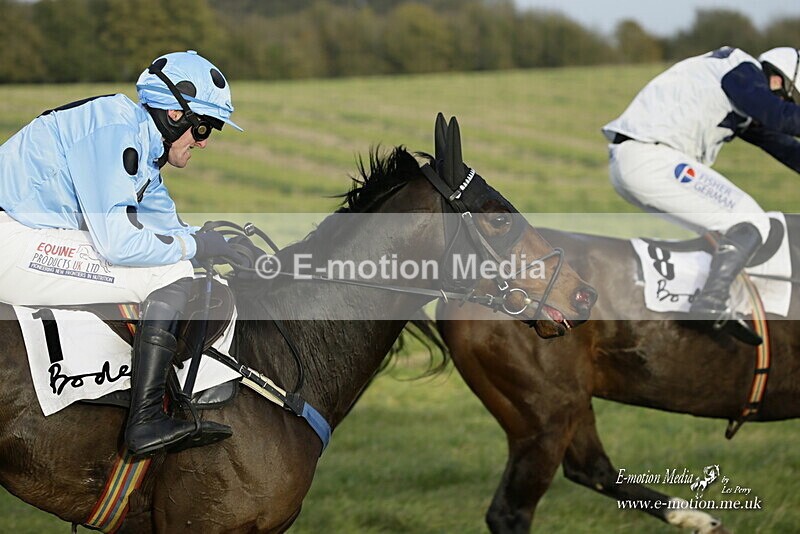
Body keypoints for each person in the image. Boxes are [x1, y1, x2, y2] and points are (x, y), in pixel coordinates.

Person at [0, 50, 244, 455]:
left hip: (20, 230)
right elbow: (119, 244)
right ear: (175, 115)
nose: (204, 142)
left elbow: (169, 226)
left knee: (180, 263)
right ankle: (145, 420)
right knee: (167, 275)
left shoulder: (139, 145)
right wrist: (198, 246)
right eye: (205, 128)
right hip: (8, 238)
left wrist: (220, 242)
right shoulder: (115, 132)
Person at [602, 46, 800, 346]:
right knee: (751, 219)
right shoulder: (741, 68)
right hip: (649, 157)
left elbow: (784, 145)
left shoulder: (745, 99)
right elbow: (778, 116)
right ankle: (712, 301)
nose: (786, 101)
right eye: (788, 95)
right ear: (778, 79)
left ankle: (695, 297)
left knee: (728, 228)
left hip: (638, 161)